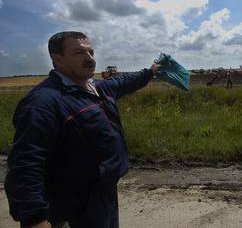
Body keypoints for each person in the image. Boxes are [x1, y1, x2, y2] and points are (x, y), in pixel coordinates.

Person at [4, 31, 160, 228]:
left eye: (91, 52)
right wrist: (35, 218)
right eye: (79, 53)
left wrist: (151, 71)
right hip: (74, 205)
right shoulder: (43, 103)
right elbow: (26, 162)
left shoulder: (96, 88)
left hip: (103, 195)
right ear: (57, 59)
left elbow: (125, 81)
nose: (89, 58)